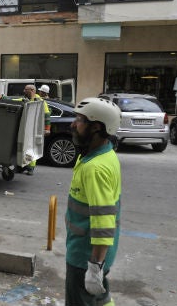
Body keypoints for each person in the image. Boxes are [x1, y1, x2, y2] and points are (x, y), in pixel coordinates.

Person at [65, 97, 122, 306]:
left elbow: (104, 223)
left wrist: (94, 266)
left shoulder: (95, 168)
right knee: (98, 299)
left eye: (79, 119)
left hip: (85, 256)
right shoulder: (103, 153)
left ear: (96, 127)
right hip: (94, 254)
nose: (73, 124)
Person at [16, 84, 50, 175]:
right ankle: (22, 166)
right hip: (26, 129)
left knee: (32, 148)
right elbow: (16, 100)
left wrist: (47, 129)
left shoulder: (41, 101)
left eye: (25, 89)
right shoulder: (26, 99)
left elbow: (47, 116)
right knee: (23, 147)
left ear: (31, 90)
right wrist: (3, 98)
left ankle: (30, 167)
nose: (24, 91)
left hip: (35, 129)